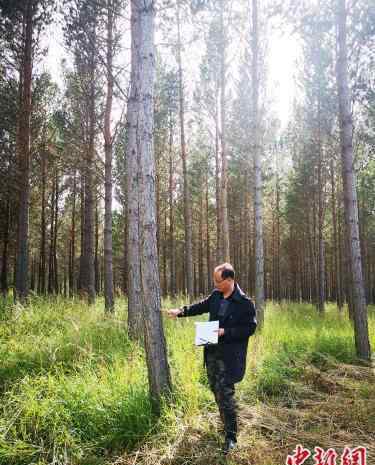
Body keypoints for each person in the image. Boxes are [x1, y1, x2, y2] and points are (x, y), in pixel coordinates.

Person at [166, 263, 257, 454]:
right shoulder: (216, 296)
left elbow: (250, 328)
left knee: (226, 395)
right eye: (214, 280)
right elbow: (200, 307)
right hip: (212, 354)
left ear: (230, 280)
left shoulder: (245, 303)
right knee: (216, 390)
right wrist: (180, 311)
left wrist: (227, 331)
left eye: (218, 281)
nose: (215, 284)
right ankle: (225, 423)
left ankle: (231, 437)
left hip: (229, 357)